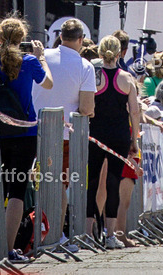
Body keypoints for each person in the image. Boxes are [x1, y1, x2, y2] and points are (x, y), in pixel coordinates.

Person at [0, 15, 54, 264]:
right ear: (22, 39)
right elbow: (48, 84)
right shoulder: (29, 61)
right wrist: (42, 57)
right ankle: (8, 249)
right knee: (17, 192)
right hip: (25, 132)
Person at [31, 18, 95, 252]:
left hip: (32, 129)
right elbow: (86, 108)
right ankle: (55, 236)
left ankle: (30, 235)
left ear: (59, 36)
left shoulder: (41, 57)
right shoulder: (85, 66)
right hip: (64, 135)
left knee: (30, 183)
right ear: (81, 39)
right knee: (58, 186)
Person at [86, 35, 141, 249]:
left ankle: (88, 234)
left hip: (95, 134)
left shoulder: (93, 76)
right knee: (113, 182)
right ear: (120, 54)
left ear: (100, 53)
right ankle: (110, 235)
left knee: (92, 182)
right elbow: (134, 111)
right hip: (119, 135)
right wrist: (134, 140)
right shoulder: (126, 78)